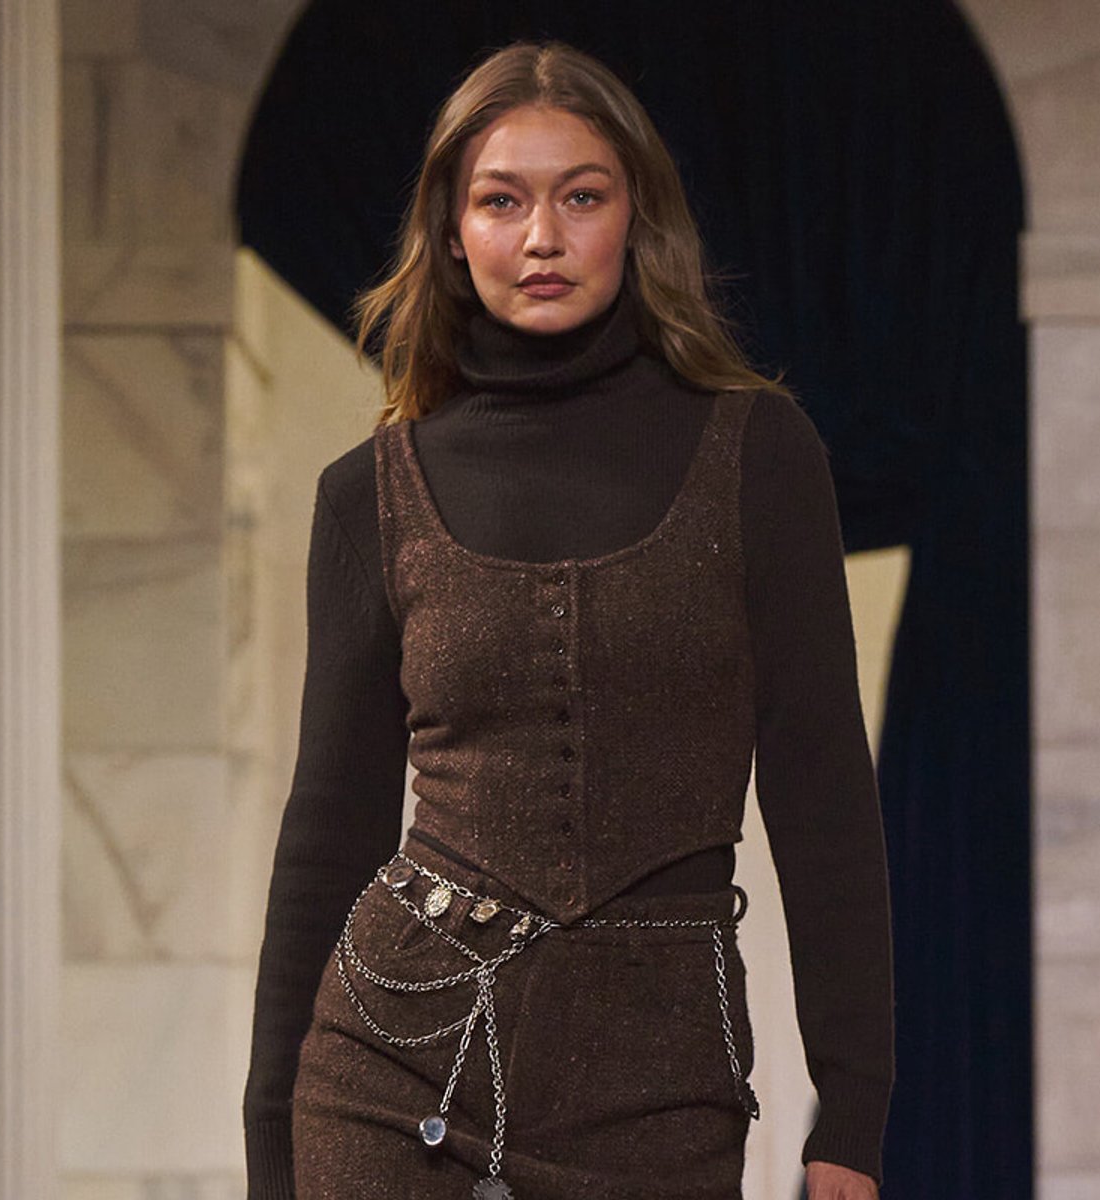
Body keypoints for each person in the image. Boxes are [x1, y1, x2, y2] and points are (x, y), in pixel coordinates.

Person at [243, 39, 894, 1200]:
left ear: (635, 217)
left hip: (659, 1084)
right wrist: (269, 1141)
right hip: (394, 1064)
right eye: (501, 200)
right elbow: (330, 829)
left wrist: (853, 1114)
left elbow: (826, 795)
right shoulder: (370, 493)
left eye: (579, 196)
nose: (541, 237)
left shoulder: (760, 457)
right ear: (452, 230)